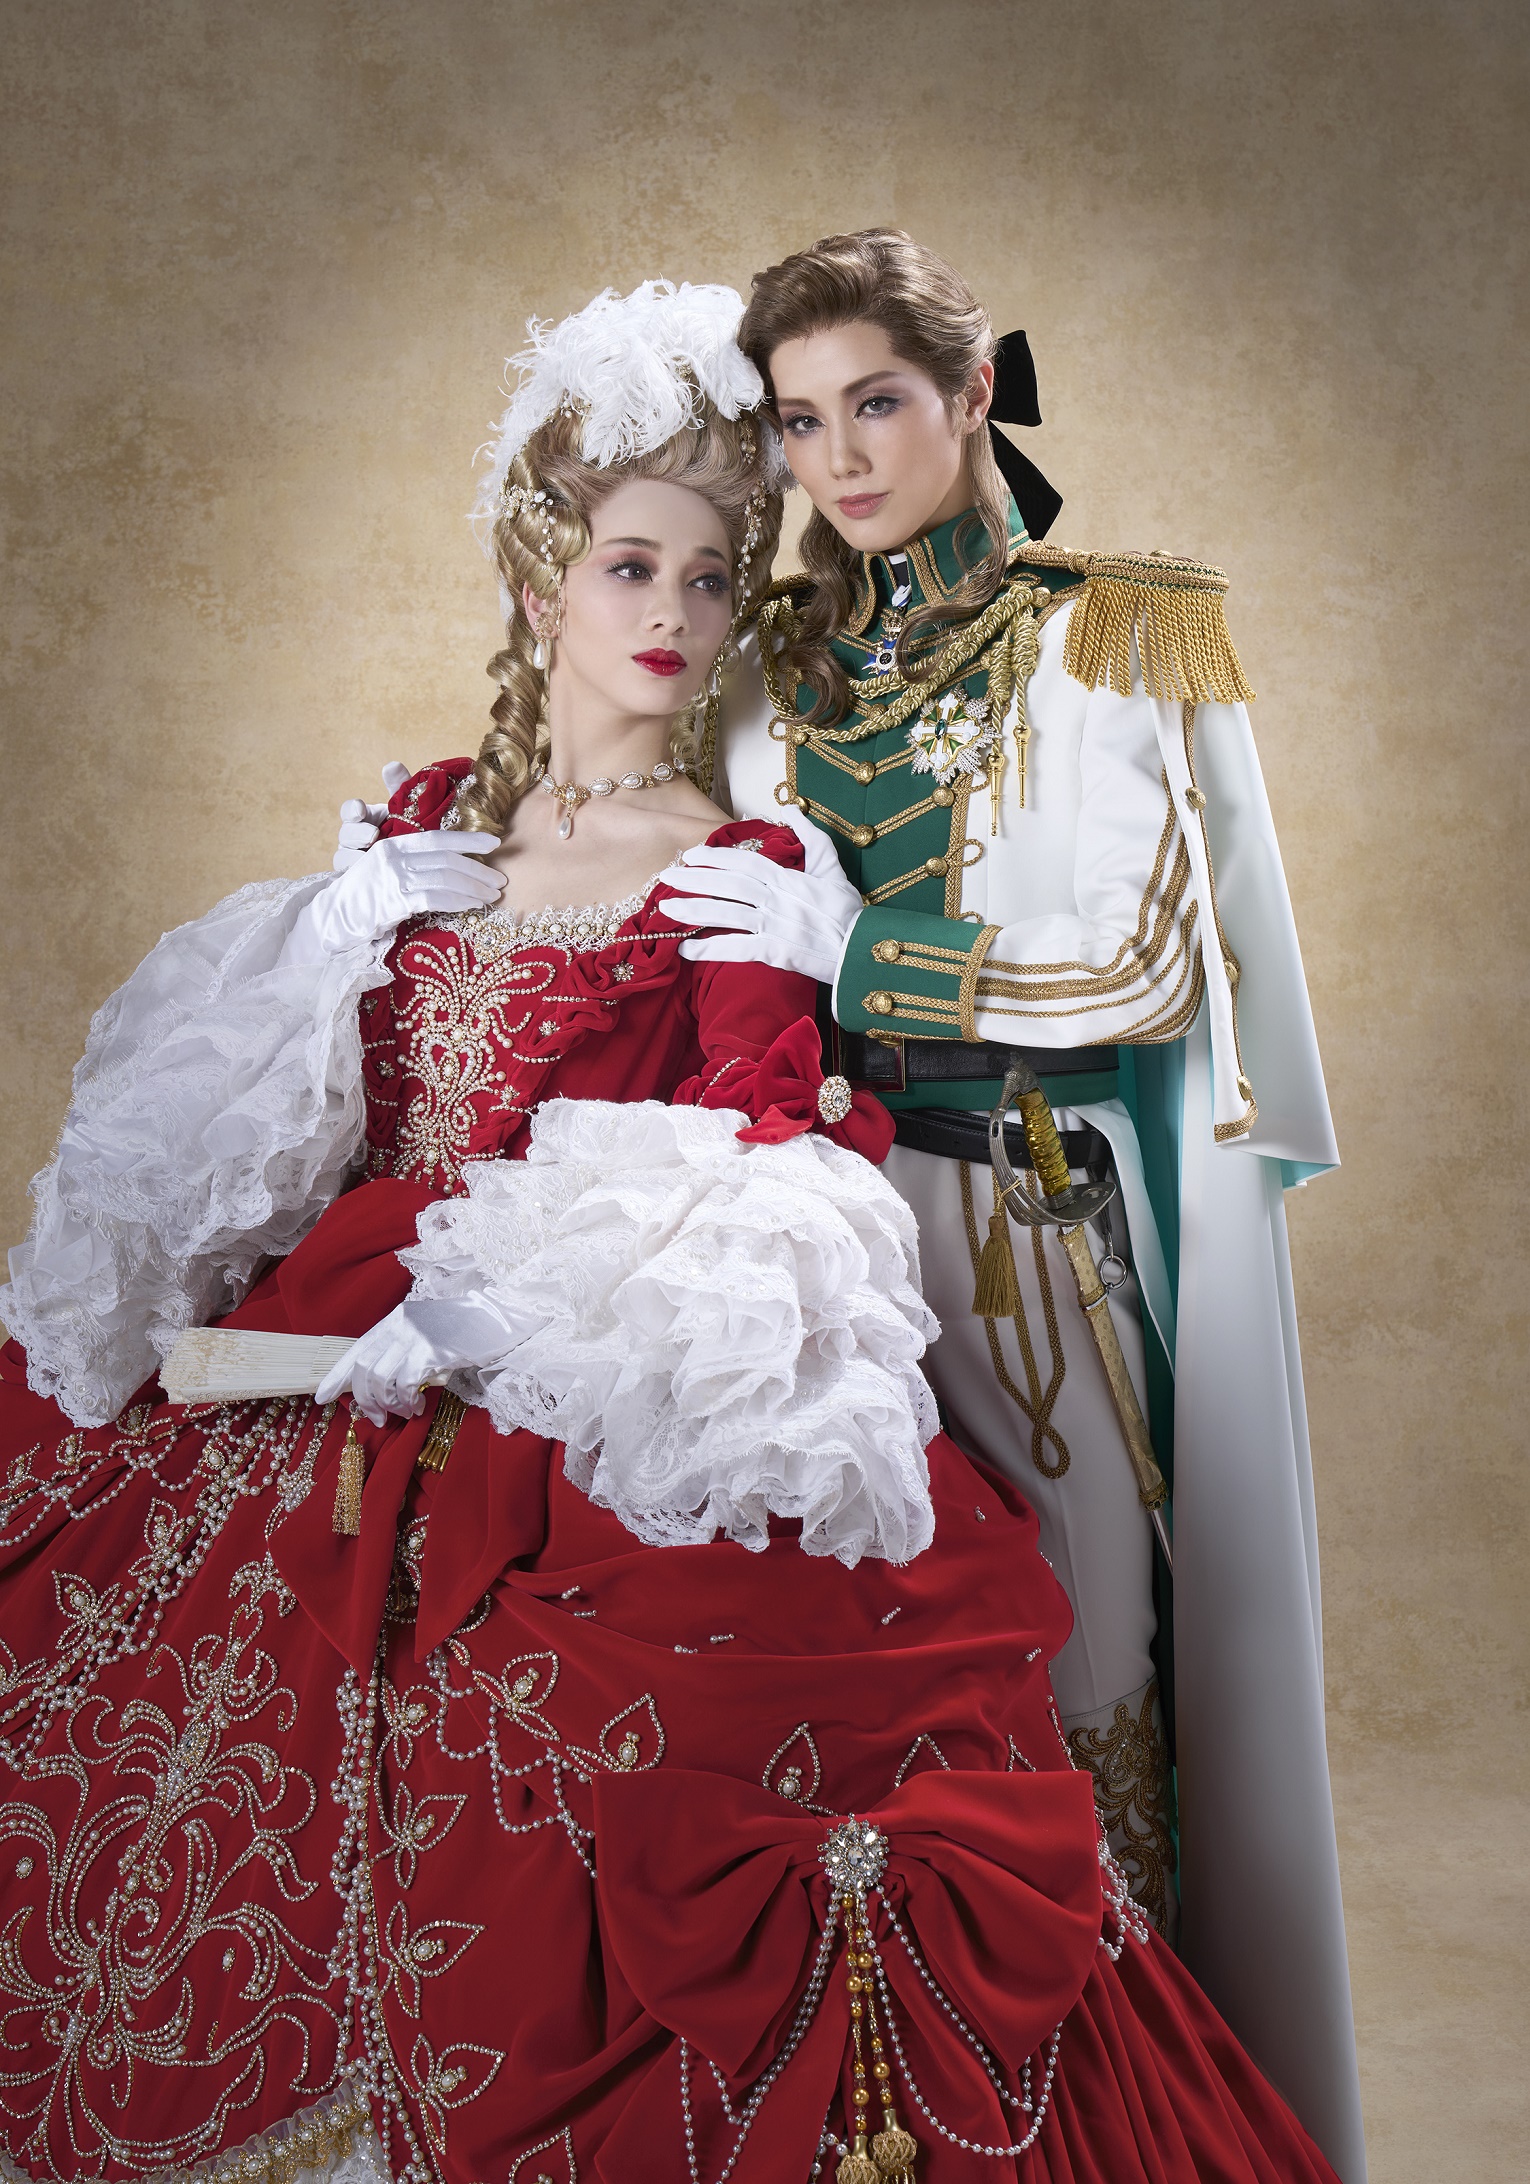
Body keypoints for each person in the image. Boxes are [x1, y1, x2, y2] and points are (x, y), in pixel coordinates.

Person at [0, 283, 1345, 2184]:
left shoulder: (746, 864)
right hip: (327, 1352)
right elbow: (268, 1142)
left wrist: (487, 1320)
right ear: (537, 581)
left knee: (595, 1720)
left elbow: (749, 1163)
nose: (675, 615)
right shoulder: (418, 826)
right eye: (631, 567)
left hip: (594, 1376)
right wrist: (331, 940)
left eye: (713, 580)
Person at [645, 230, 1363, 2184]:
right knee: (863, 1709)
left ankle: (1121, 2125)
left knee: (1076, 1682)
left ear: (973, 396)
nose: (840, 460)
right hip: (822, 1250)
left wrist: (854, 949)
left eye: (876, 402)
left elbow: (1142, 963)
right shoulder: (770, 663)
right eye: (801, 422)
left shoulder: (1117, 634)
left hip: (1031, 1232)